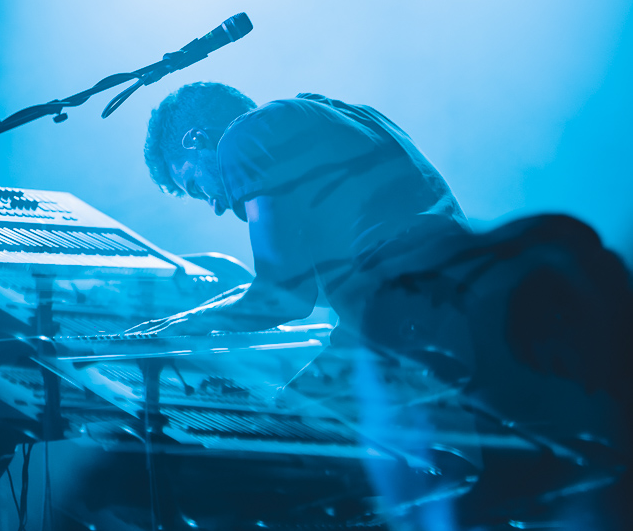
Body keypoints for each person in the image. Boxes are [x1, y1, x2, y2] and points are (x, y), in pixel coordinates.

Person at [138, 82, 468, 342]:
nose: (215, 206)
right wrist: (211, 308)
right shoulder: (345, 114)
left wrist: (188, 324)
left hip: (410, 315)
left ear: (197, 140)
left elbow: (286, 297)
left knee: (284, 419)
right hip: (468, 294)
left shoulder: (241, 139)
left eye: (196, 186)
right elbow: (312, 283)